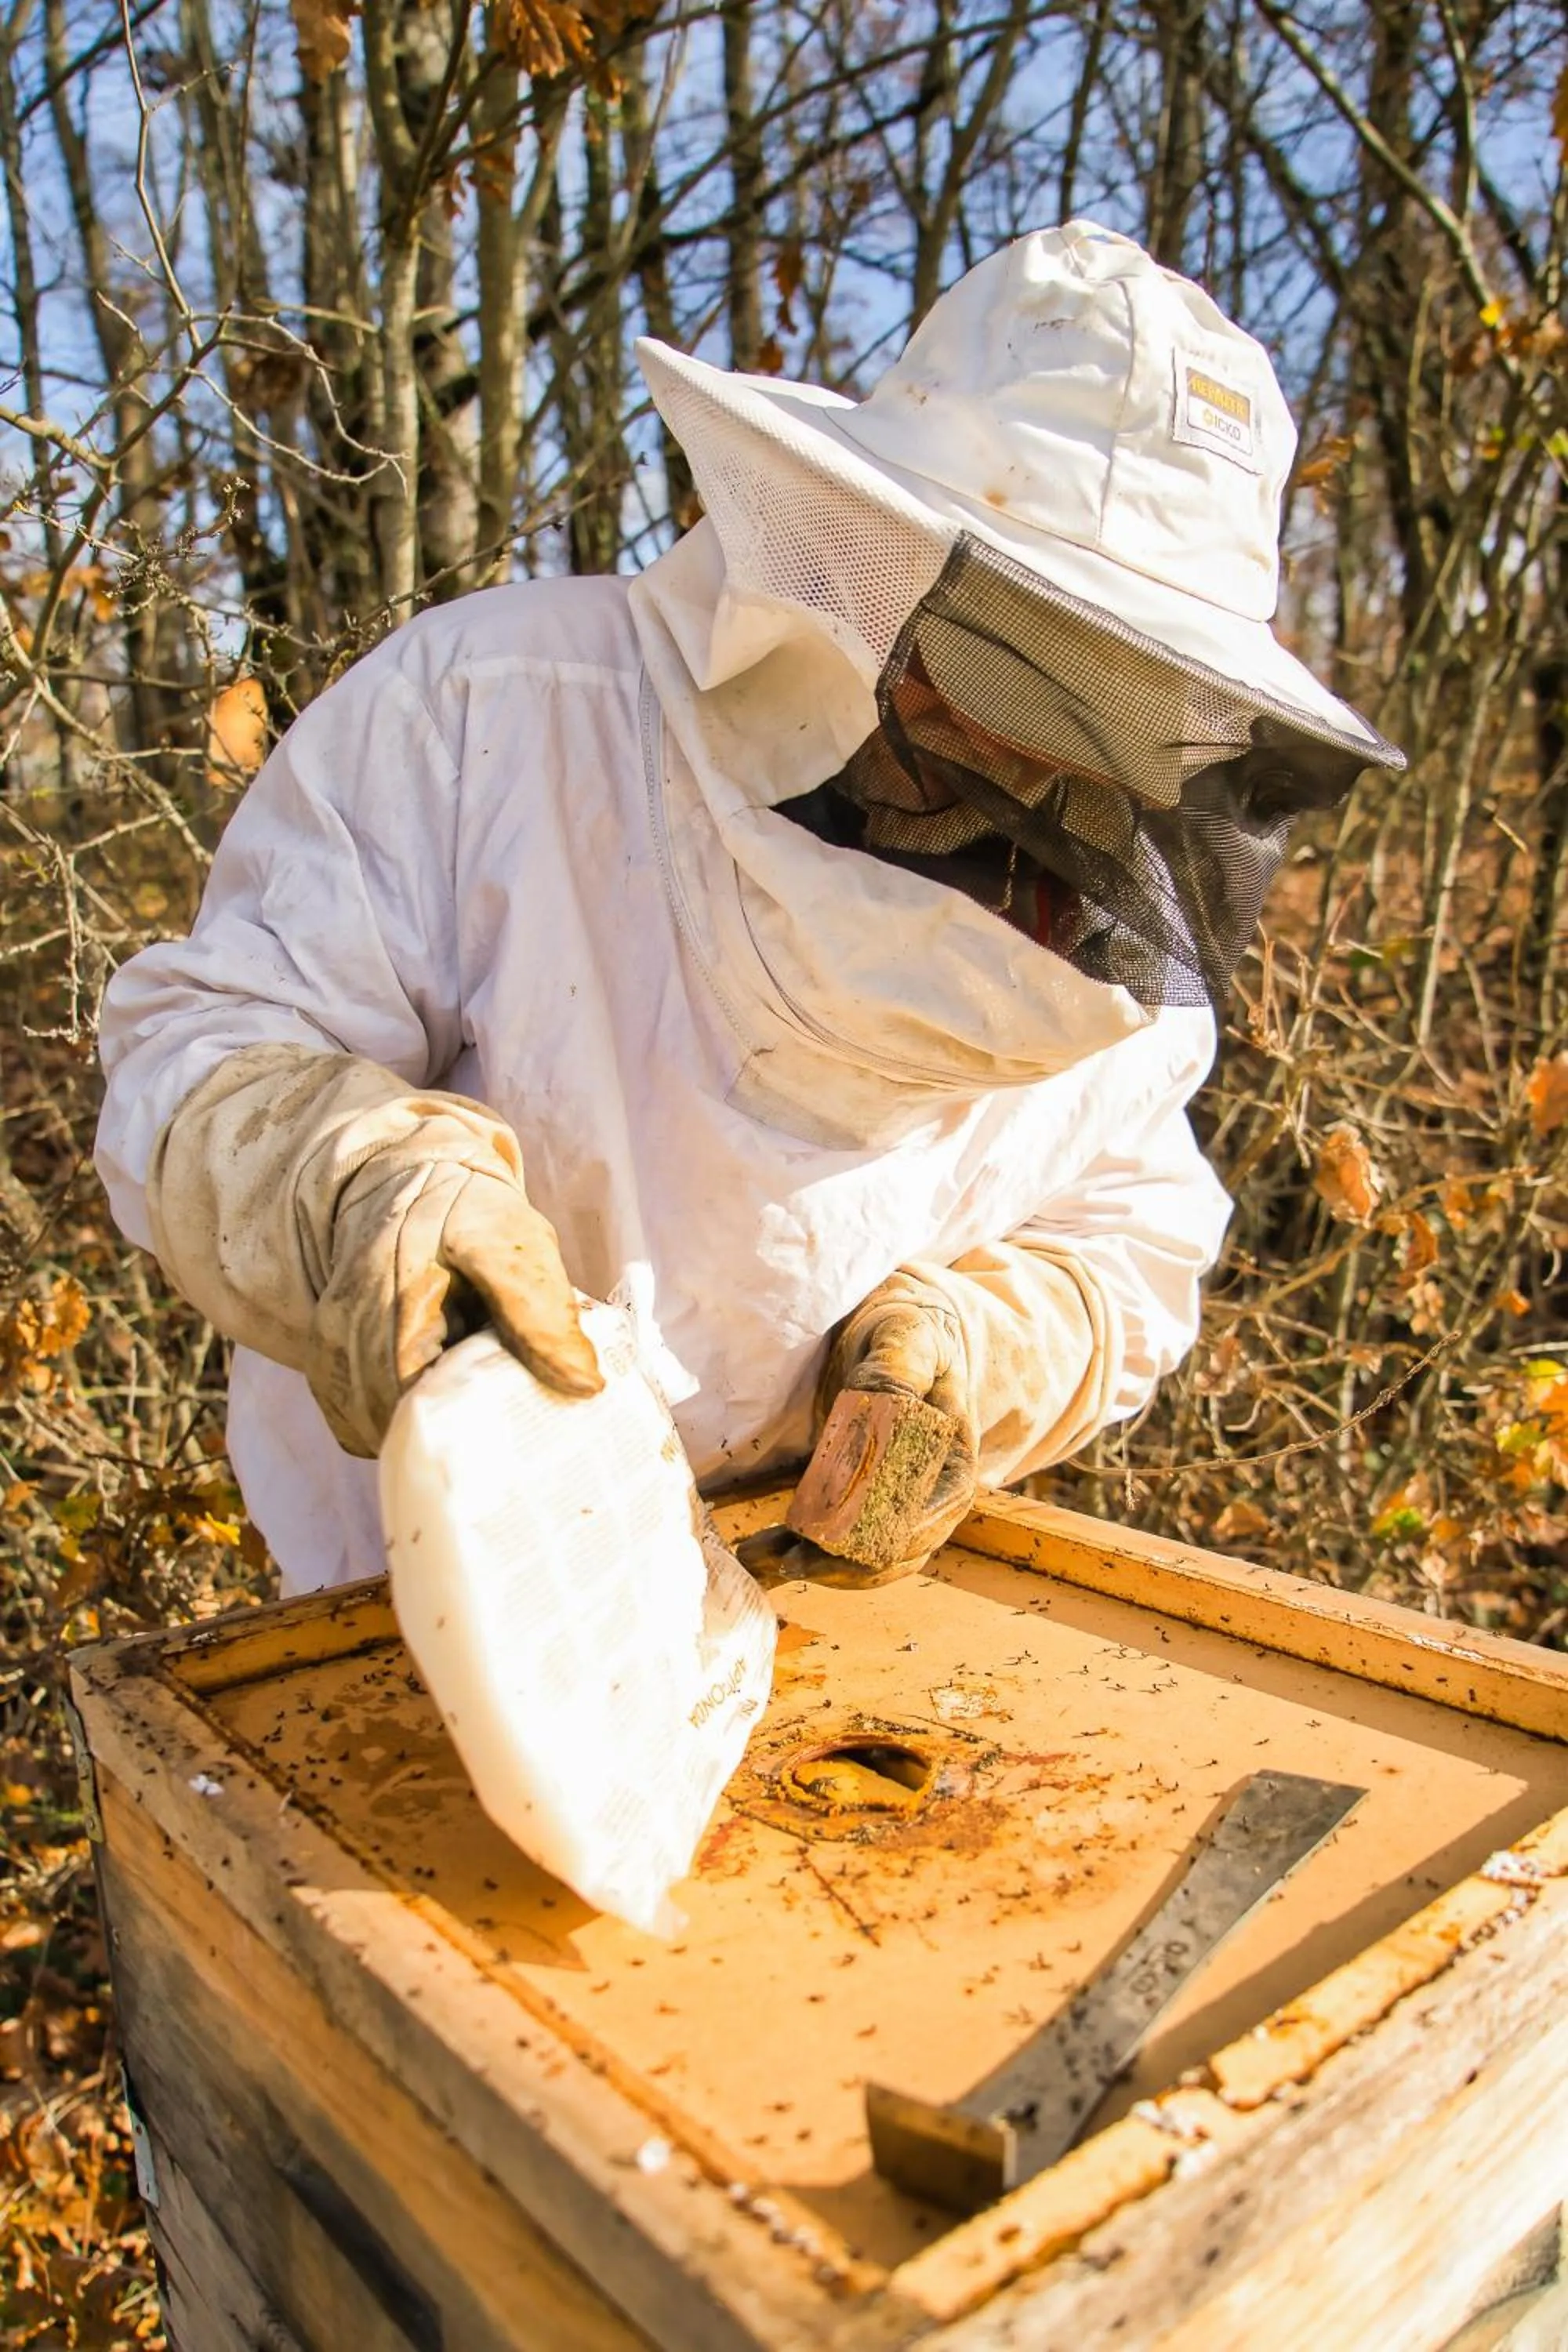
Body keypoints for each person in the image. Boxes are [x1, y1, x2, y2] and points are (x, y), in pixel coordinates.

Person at [94, 221, 1402, 1596]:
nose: (1046, 739)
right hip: (412, 1594)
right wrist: (363, 1193)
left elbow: (1127, 1230)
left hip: (803, 1607)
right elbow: (214, 1041)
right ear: (882, 557)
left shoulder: (1123, 946)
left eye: (1114, 691)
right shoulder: (498, 711)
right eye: (1018, 653)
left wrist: (970, 1340)